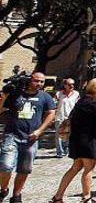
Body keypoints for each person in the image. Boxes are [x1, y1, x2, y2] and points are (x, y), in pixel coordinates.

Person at [49, 79, 96, 203]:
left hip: (76, 139)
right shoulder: (92, 104)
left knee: (75, 167)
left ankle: (58, 196)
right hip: (88, 140)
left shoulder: (81, 102)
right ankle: (86, 197)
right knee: (88, 169)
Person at [0, 72, 57, 203]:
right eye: (36, 81)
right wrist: (5, 96)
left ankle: (16, 195)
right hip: (12, 135)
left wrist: (39, 131)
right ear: (29, 80)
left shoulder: (45, 97)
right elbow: (1, 110)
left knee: (24, 169)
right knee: (5, 166)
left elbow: (51, 113)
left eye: (42, 82)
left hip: (31, 139)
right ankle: (3, 189)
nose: (39, 84)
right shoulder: (16, 94)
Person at [54, 78, 80, 158]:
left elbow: (78, 105)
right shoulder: (59, 94)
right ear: (65, 85)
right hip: (60, 116)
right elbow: (53, 104)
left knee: (69, 135)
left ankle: (67, 150)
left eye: (73, 84)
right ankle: (59, 152)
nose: (71, 86)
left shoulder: (76, 94)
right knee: (59, 135)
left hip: (71, 117)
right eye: (69, 84)